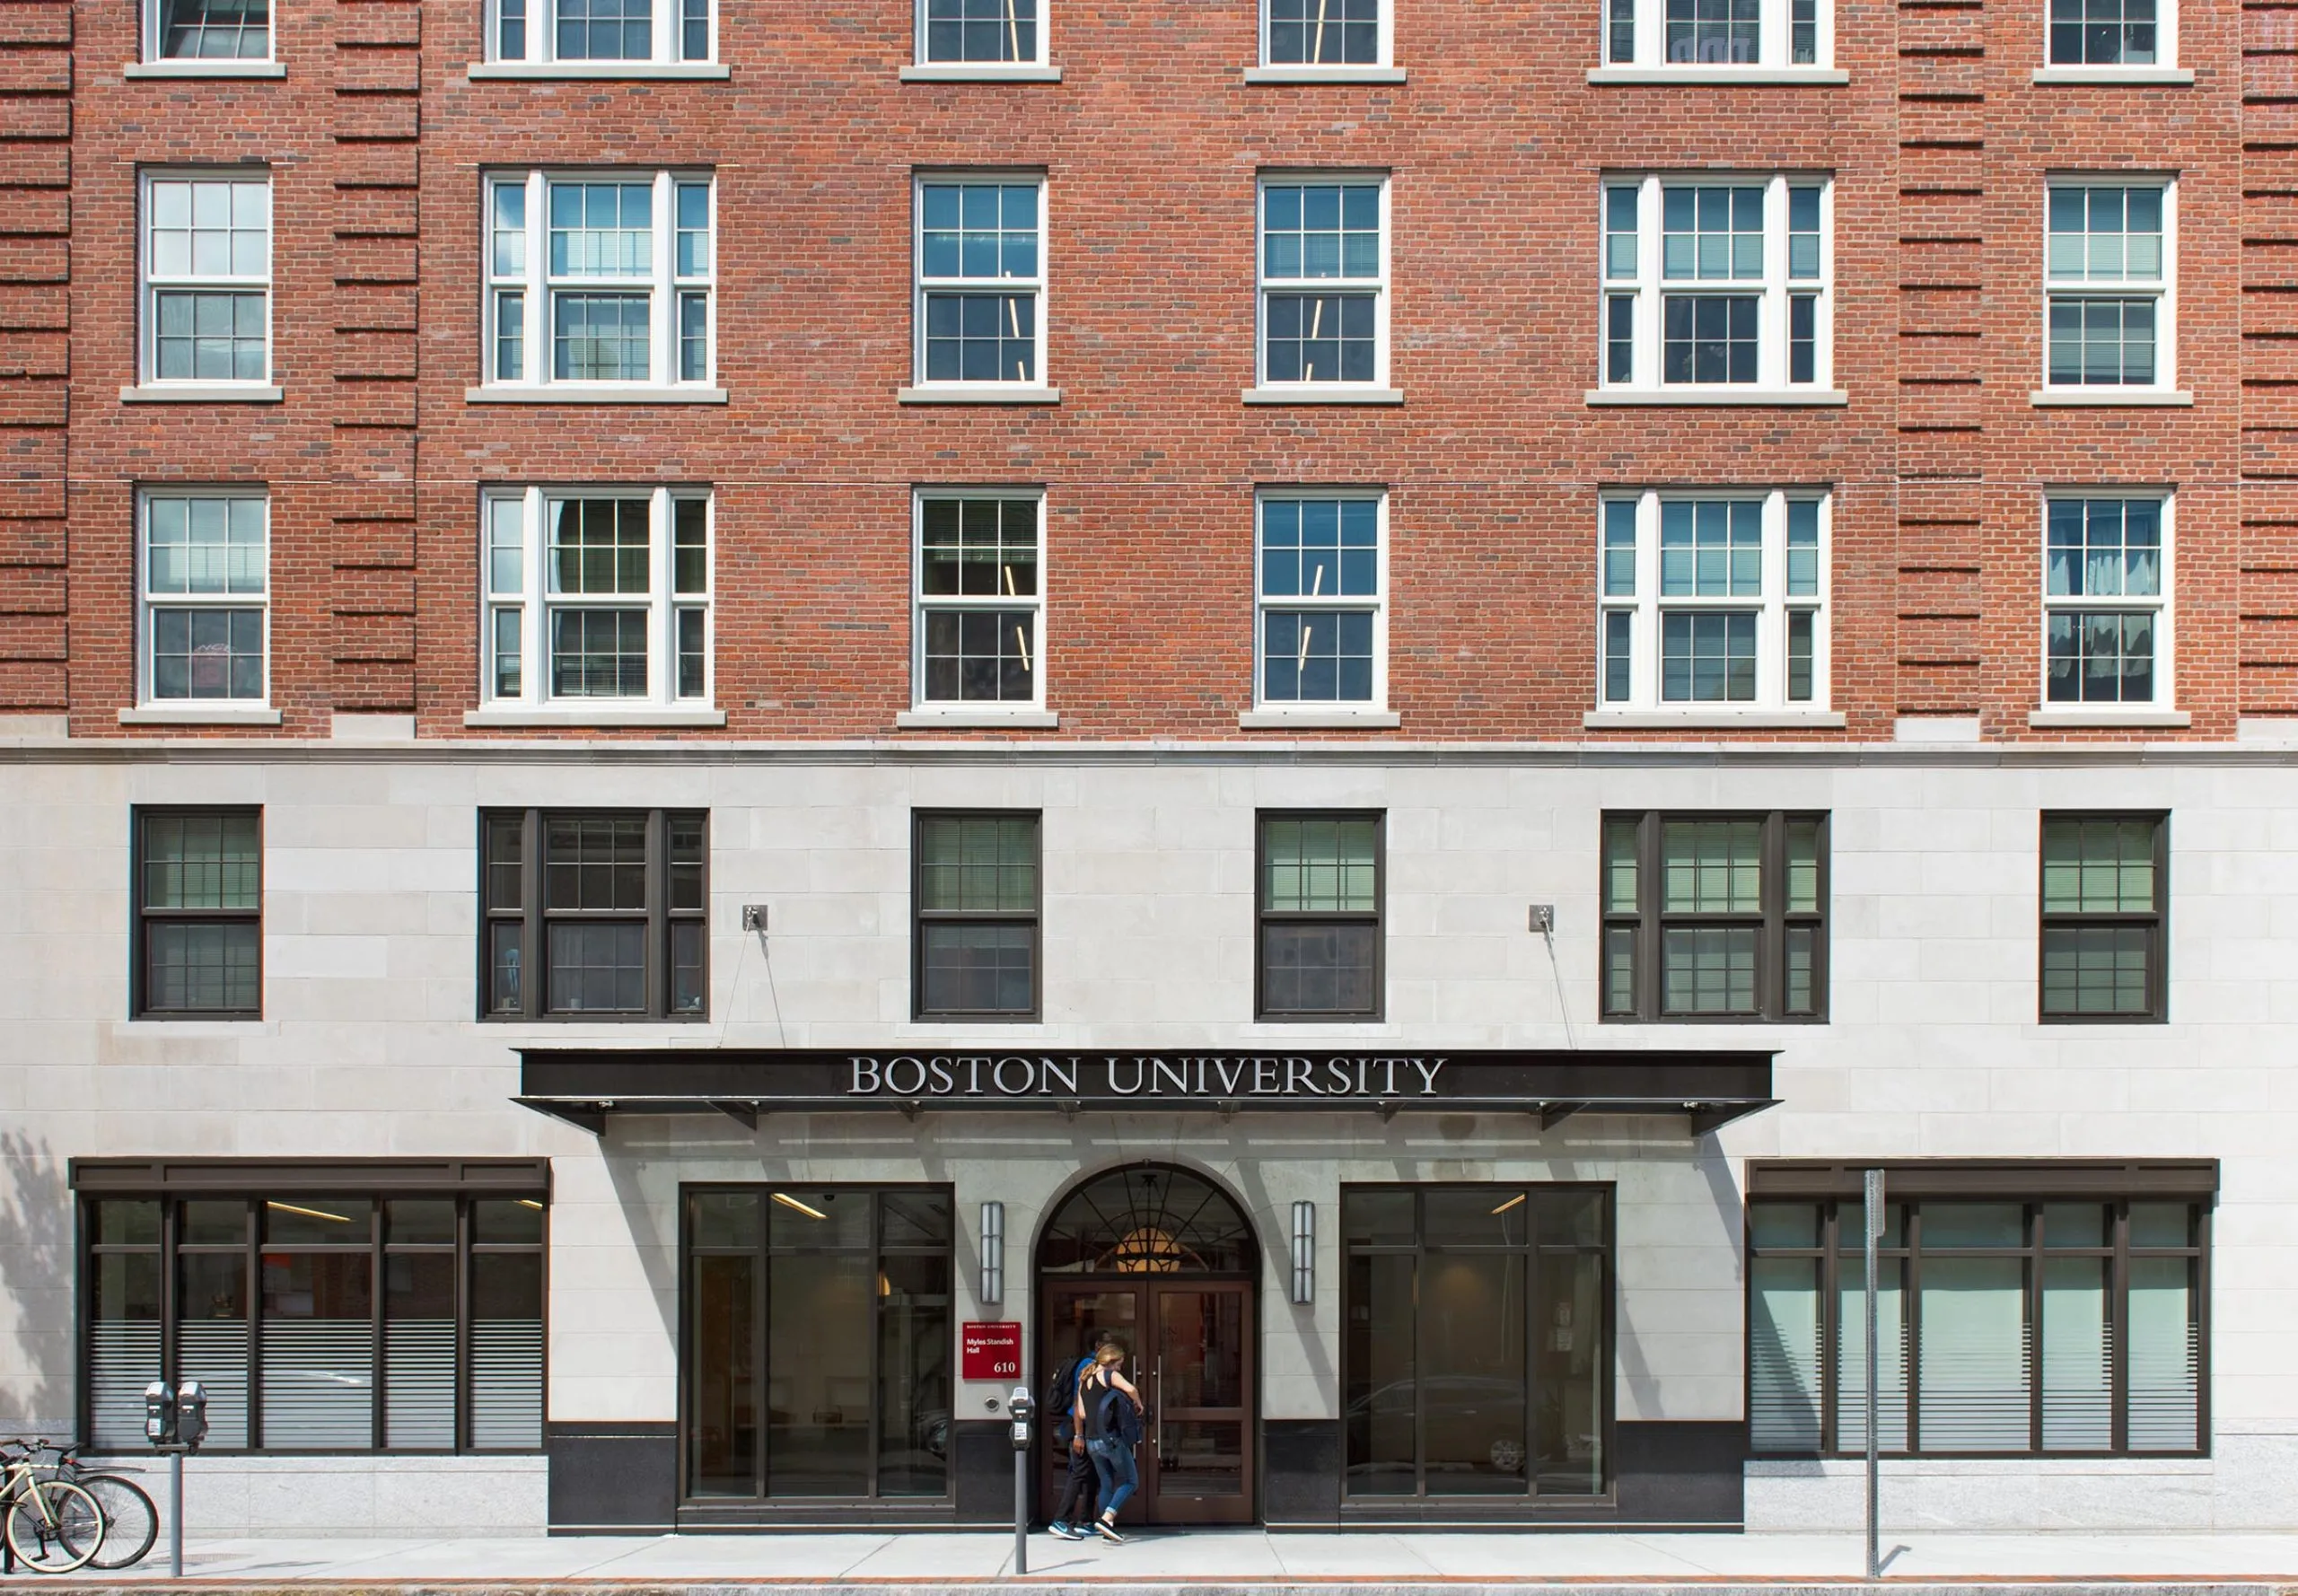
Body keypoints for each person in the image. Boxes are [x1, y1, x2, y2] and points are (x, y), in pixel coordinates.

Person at [1074, 1342, 1145, 1544]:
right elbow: (1131, 1388)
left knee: (1106, 1483)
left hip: (1091, 1440)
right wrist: (1138, 1403)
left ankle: (1105, 1526)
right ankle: (1107, 1519)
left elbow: (1082, 1413)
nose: (1120, 1368)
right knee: (1131, 1481)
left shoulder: (1084, 1378)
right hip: (1110, 1439)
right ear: (1111, 1361)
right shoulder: (1108, 1375)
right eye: (1119, 1364)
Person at [1045, 1331, 1111, 1540]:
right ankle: (1061, 1520)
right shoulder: (1088, 1367)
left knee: (1090, 1473)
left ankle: (1086, 1520)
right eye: (1109, 1343)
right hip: (1079, 1427)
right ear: (1099, 1344)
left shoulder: (1092, 1365)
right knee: (1079, 1472)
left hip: (1086, 1427)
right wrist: (1079, 1435)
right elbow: (1078, 1402)